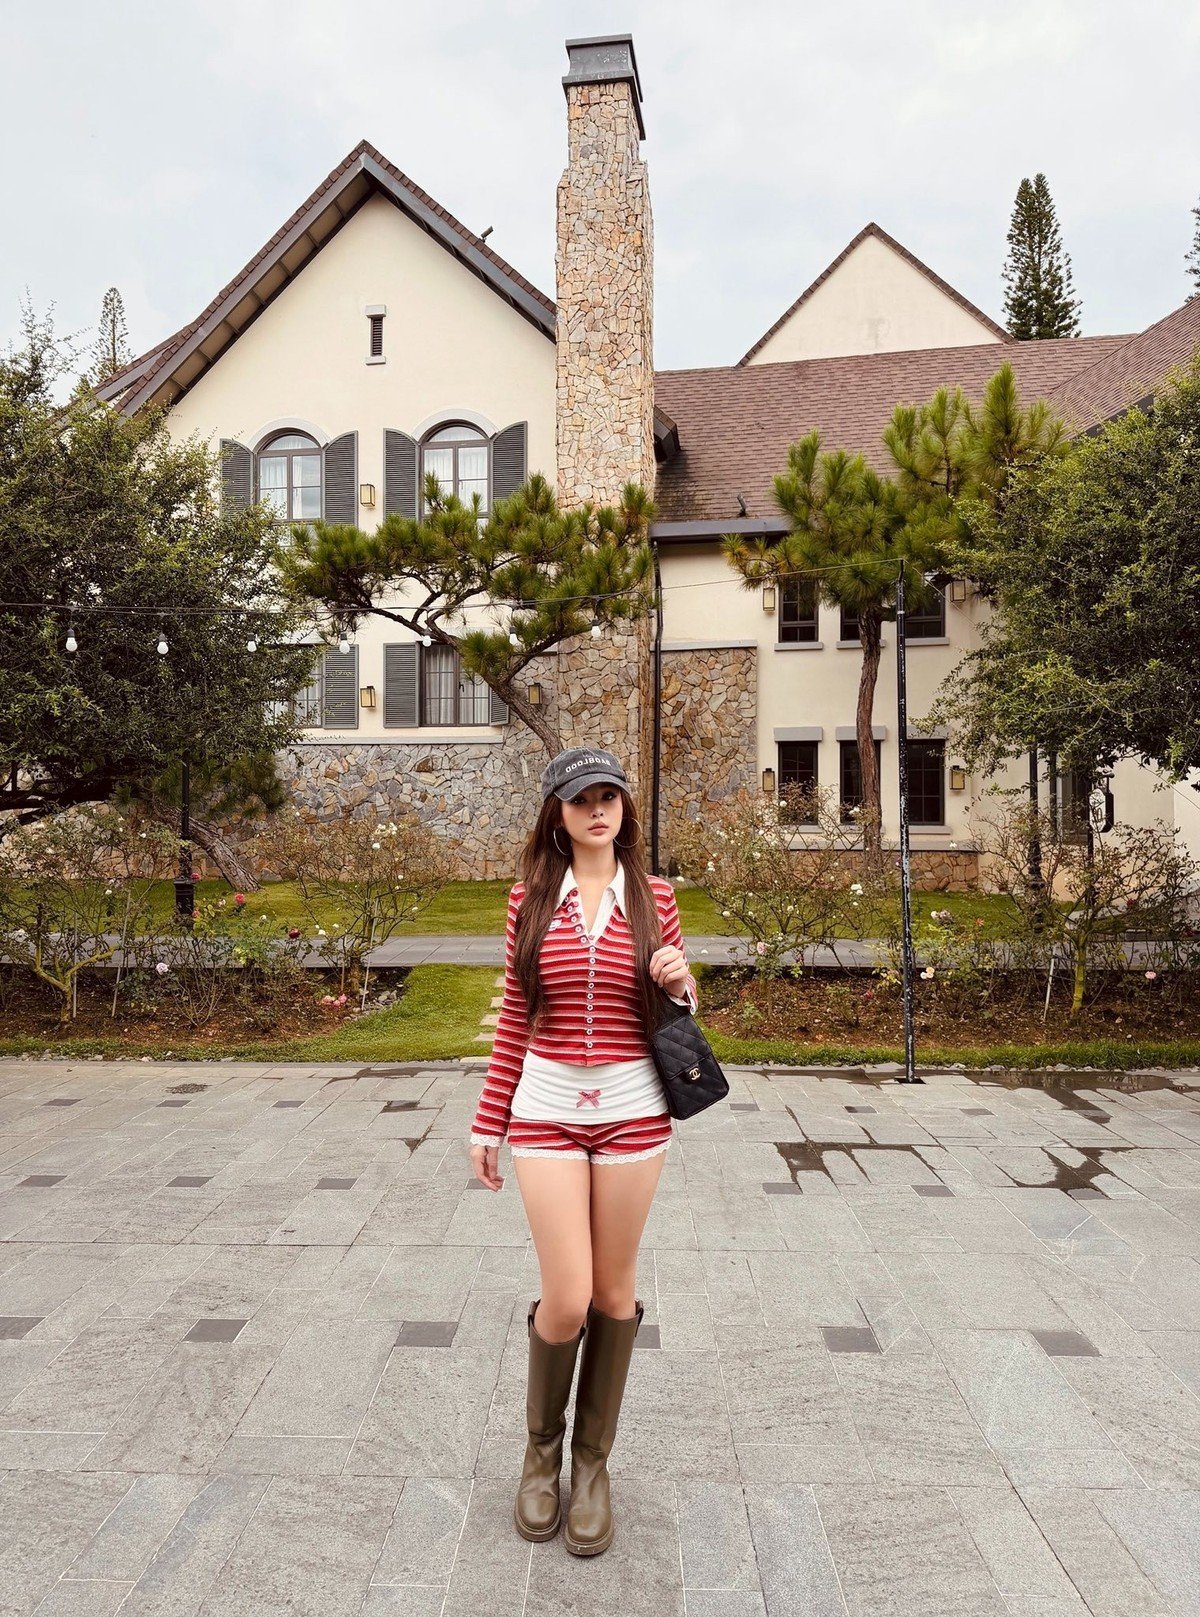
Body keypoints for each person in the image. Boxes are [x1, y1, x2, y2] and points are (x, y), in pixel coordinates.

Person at [468, 744, 698, 1556]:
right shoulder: (528, 899)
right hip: (548, 1109)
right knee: (566, 1296)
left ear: (624, 807)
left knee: (613, 1292)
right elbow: (515, 1014)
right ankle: (541, 1454)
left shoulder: (655, 896)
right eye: (581, 799)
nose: (598, 809)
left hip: (634, 1109)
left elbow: (677, 1006)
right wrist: (488, 1120)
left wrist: (680, 981)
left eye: (609, 796)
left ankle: (592, 1465)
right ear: (557, 814)